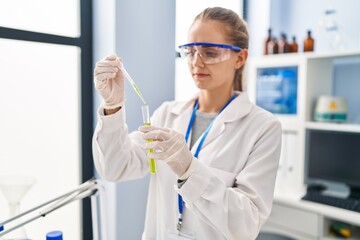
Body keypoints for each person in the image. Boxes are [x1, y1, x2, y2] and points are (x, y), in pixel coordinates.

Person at [92, 7, 282, 240]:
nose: (196, 63)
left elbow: (246, 223)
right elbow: (115, 168)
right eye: (190, 52)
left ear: (240, 58)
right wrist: (112, 105)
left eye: (210, 53)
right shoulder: (168, 114)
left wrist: (189, 169)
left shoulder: (263, 127)